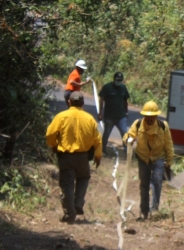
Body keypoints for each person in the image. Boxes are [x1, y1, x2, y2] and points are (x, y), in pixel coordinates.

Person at [45, 91, 102, 223]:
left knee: (67, 184)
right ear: (83, 103)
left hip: (66, 157)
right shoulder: (89, 119)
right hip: (83, 157)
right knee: (83, 178)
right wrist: (98, 156)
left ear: (69, 102)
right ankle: (78, 203)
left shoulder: (61, 116)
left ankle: (70, 213)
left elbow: (50, 134)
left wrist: (53, 145)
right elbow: (98, 140)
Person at [122, 101, 174, 220]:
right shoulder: (138, 124)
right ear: (144, 115)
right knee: (144, 184)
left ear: (156, 116)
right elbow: (128, 135)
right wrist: (128, 139)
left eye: (152, 116)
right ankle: (144, 211)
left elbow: (168, 144)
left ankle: (154, 209)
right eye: (147, 116)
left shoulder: (163, 126)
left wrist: (169, 162)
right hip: (143, 158)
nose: (149, 119)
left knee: (157, 182)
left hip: (158, 158)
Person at [99, 72, 130, 154]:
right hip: (109, 116)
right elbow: (101, 99)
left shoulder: (123, 88)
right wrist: (100, 113)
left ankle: (126, 151)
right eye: (117, 80)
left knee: (124, 133)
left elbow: (125, 100)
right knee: (106, 133)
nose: (118, 81)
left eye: (120, 80)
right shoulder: (107, 87)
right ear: (114, 79)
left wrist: (126, 112)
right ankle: (103, 150)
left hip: (121, 116)